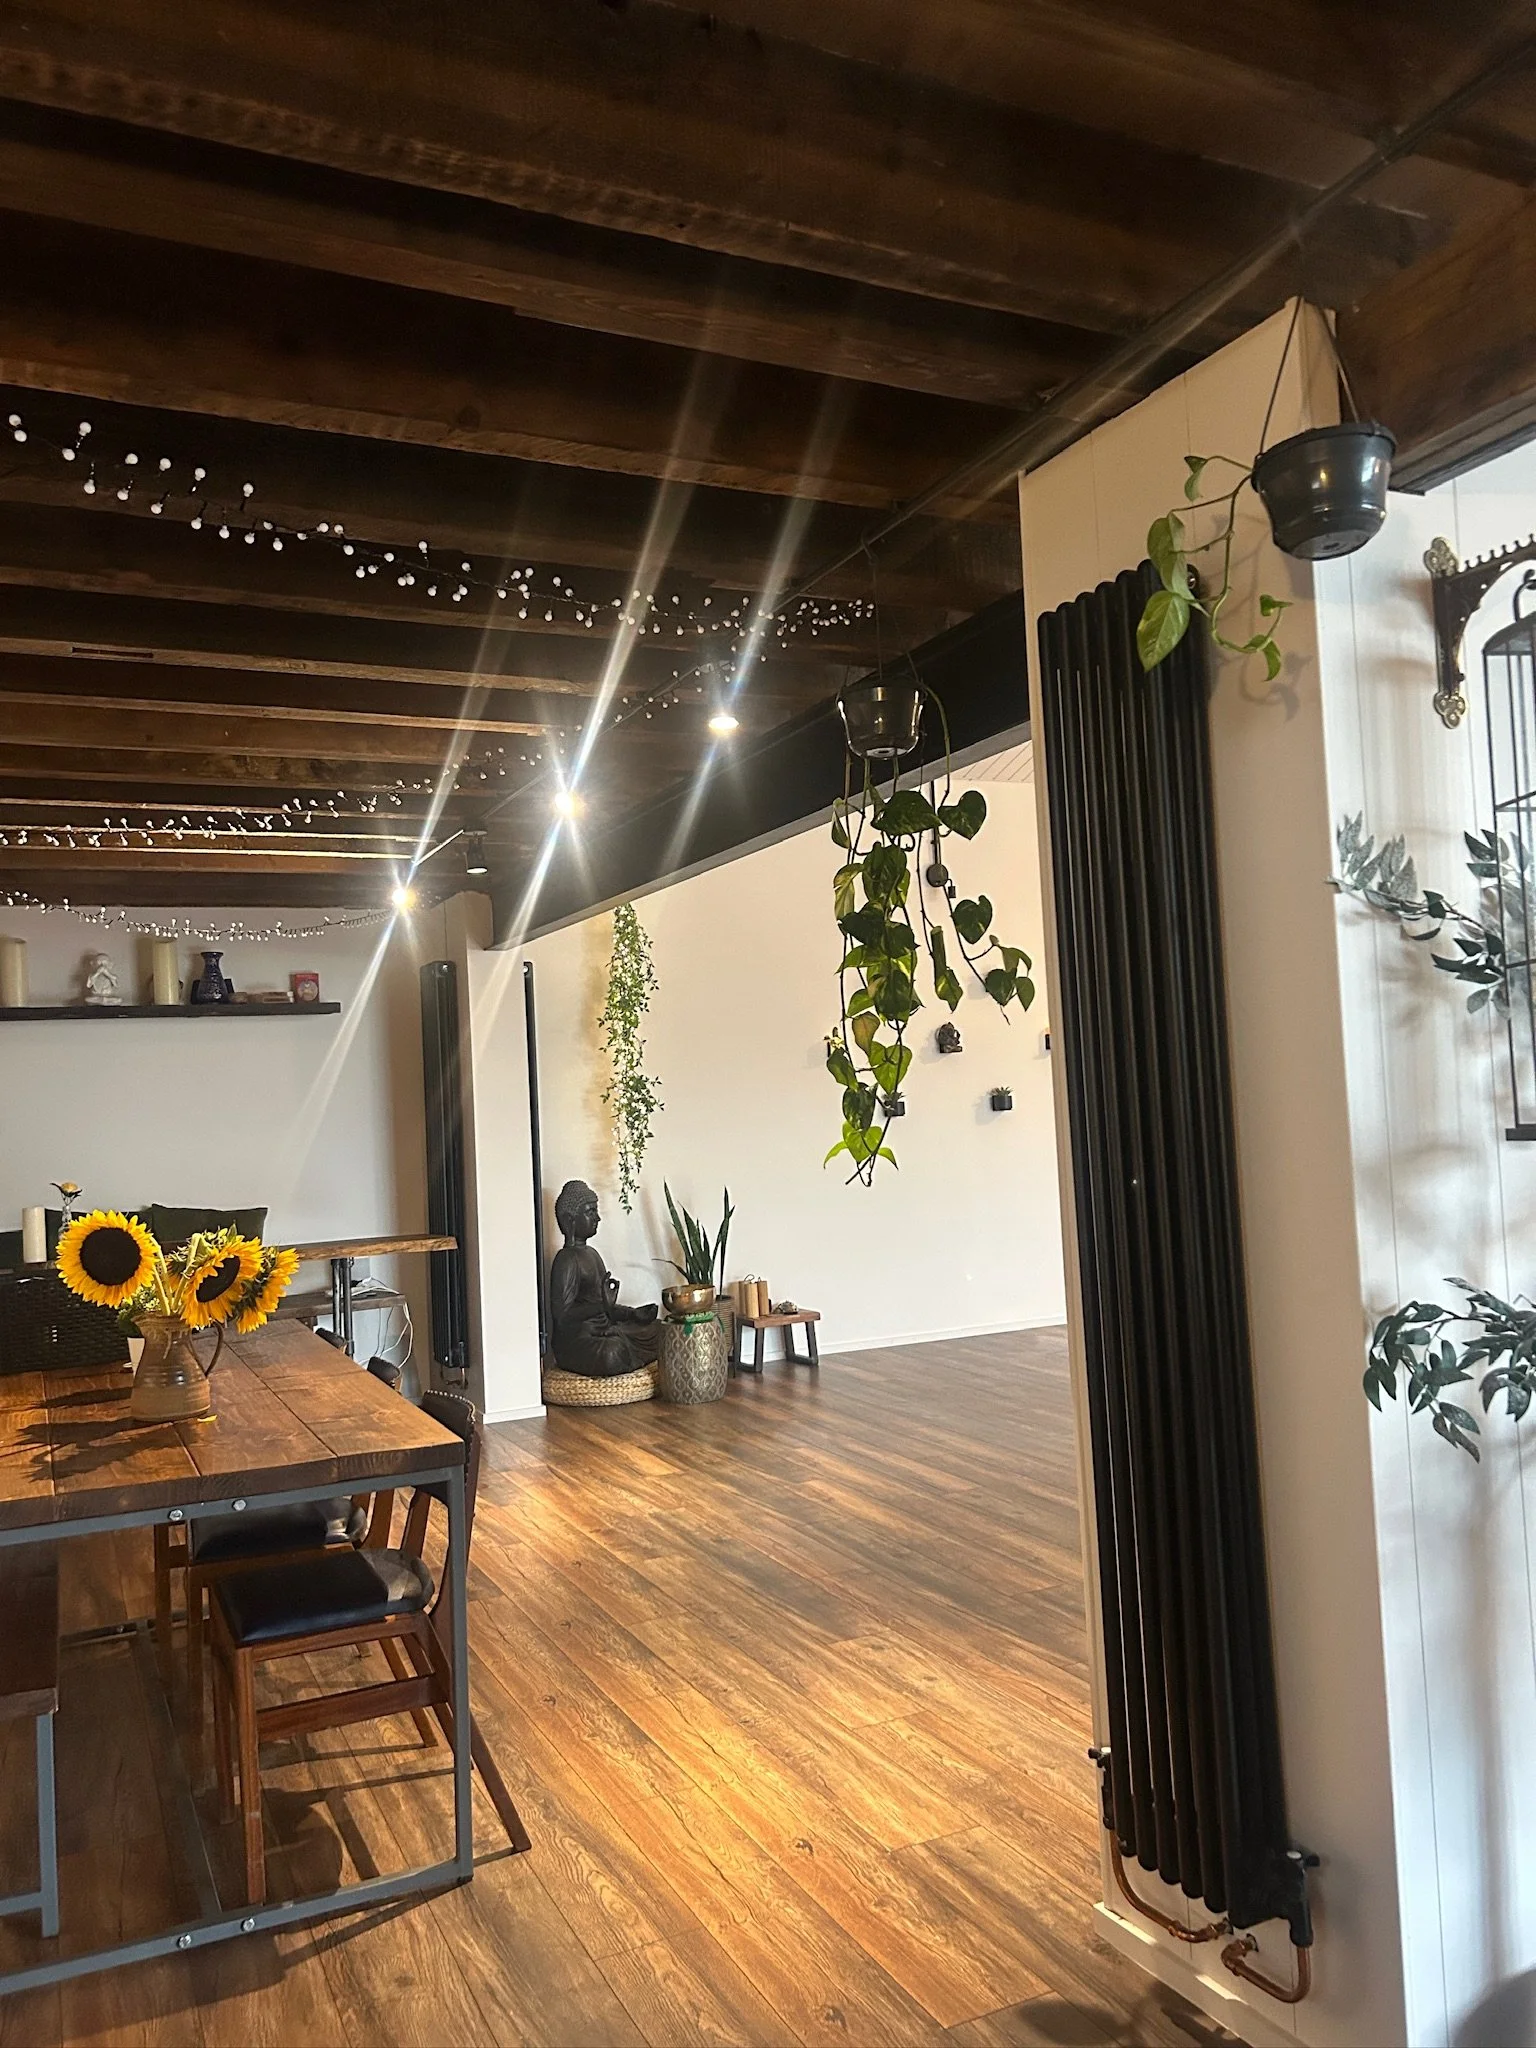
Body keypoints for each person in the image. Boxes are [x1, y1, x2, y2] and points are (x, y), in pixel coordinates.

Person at [548, 1179, 661, 1377]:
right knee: (611, 1353)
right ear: (570, 1219)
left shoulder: (592, 1254)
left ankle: (625, 1345)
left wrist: (632, 1314)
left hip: (606, 1330)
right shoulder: (566, 1260)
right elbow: (562, 1317)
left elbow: (605, 1306)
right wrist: (603, 1307)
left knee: (659, 1329)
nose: (598, 1218)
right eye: (590, 1212)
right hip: (579, 1341)